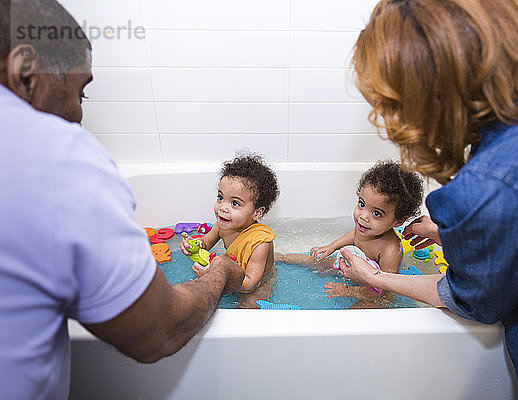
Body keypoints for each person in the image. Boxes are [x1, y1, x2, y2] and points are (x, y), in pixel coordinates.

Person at [340, 0, 518, 398]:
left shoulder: (485, 190)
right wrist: (455, 234)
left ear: (425, 104)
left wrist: (373, 277)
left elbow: (473, 302)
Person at [0, 1, 244, 399]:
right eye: (79, 91)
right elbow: (158, 330)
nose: (77, 114)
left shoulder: (260, 237)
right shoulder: (57, 157)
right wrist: (220, 273)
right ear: (26, 73)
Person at [276, 161, 423, 307]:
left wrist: (349, 290)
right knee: (317, 262)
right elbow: (354, 236)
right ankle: (284, 257)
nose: (363, 216)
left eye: (377, 213)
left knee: (362, 308)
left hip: (374, 284)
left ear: (398, 221)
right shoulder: (368, 227)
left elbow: (386, 291)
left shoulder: (390, 250)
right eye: (362, 204)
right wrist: (332, 247)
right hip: (354, 267)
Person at [180, 153, 280, 308]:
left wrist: (214, 275)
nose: (223, 207)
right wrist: (192, 244)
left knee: (247, 308)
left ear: (257, 213)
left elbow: (249, 284)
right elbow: (204, 243)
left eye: (235, 203)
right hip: (234, 271)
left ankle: (287, 258)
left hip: (259, 282)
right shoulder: (222, 225)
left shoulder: (260, 243)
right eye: (220, 197)